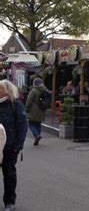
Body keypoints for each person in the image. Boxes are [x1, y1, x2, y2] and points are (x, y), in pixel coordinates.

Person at [0, 80, 28, 211]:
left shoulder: (16, 105)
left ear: (7, 90)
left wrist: (18, 147)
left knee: (9, 175)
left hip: (9, 148)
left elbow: (22, 127)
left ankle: (9, 202)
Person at [25, 78, 50, 146]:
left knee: (31, 124)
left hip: (34, 110)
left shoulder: (33, 91)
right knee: (38, 124)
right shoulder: (45, 90)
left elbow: (29, 101)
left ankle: (36, 135)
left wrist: (26, 109)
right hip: (42, 109)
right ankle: (37, 136)